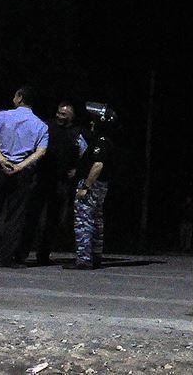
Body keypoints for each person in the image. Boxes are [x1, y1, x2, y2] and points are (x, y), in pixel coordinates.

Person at [0, 86, 49, 270]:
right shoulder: (41, 125)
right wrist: (20, 165)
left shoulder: (1, 116)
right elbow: (41, 151)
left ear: (19, 98)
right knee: (16, 216)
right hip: (22, 172)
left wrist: (1, 160)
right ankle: (5, 259)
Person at [20, 100, 86, 265]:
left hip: (61, 182)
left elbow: (84, 154)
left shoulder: (77, 133)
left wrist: (77, 170)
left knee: (53, 220)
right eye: (58, 112)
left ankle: (43, 255)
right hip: (42, 178)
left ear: (71, 116)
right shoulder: (46, 126)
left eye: (63, 114)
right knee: (31, 217)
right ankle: (21, 253)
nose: (59, 116)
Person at [64, 102, 117, 270]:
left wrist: (86, 186)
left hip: (92, 186)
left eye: (95, 120)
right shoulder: (105, 141)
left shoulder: (101, 142)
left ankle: (84, 259)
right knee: (96, 220)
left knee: (83, 221)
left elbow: (98, 164)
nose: (92, 123)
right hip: (100, 186)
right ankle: (95, 255)